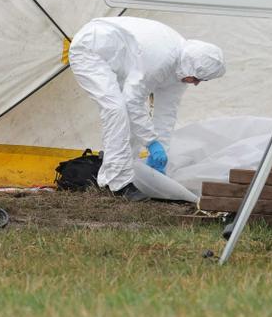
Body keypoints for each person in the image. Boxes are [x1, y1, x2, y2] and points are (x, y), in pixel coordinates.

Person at [68, 17, 226, 199]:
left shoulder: (181, 70)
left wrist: (161, 157)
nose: (196, 84)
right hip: (90, 50)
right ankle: (118, 184)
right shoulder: (162, 59)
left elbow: (166, 115)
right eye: (197, 78)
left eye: (201, 80)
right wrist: (152, 143)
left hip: (118, 59)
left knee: (134, 116)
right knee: (116, 110)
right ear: (190, 66)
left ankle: (128, 173)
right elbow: (131, 102)